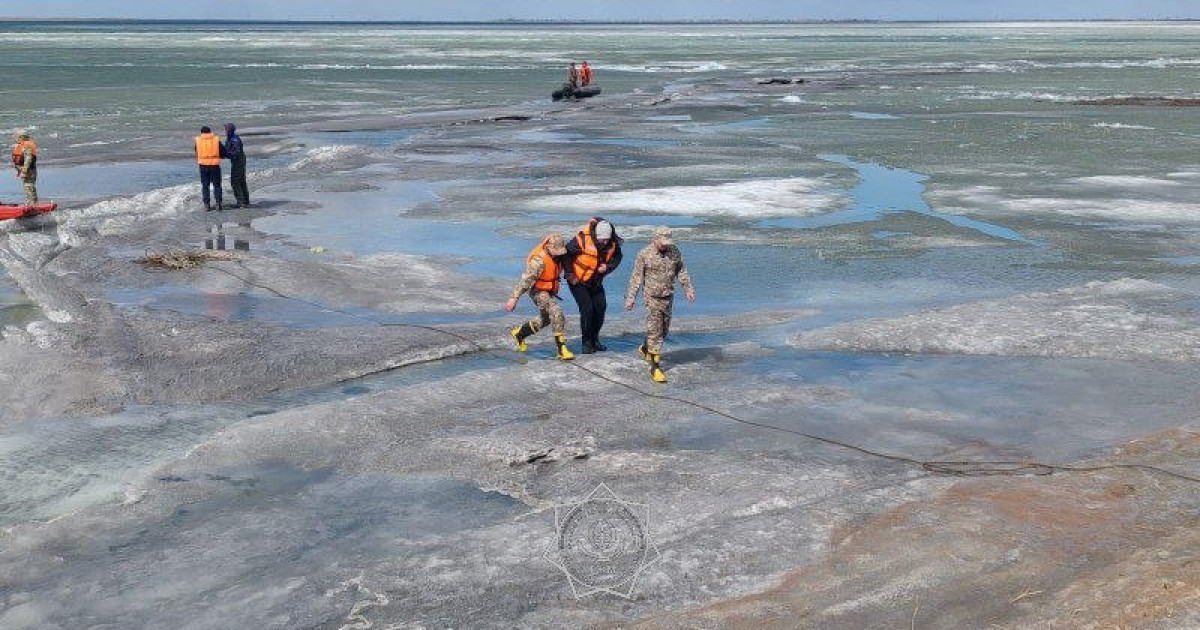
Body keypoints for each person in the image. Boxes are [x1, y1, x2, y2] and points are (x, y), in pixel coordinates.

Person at [624, 227, 696, 383]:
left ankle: (645, 347)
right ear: (655, 239)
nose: (665, 245)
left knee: (664, 330)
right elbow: (636, 278)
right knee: (655, 330)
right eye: (663, 242)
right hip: (651, 297)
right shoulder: (644, 254)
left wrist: (688, 289)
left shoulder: (674, 251)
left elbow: (681, 271)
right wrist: (631, 298)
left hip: (668, 295)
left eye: (667, 243)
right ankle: (655, 367)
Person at [505, 234, 575, 361]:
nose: (559, 254)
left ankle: (520, 334)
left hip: (549, 289)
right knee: (556, 312)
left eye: (560, 252)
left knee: (547, 319)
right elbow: (526, 281)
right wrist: (514, 298)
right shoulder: (538, 261)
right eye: (556, 251)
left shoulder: (559, 256)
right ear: (548, 247)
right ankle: (561, 349)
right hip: (537, 290)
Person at [565, 217, 622, 354]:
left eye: (607, 239)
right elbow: (566, 255)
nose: (605, 242)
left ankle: (595, 339)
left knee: (600, 308)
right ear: (596, 235)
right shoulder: (581, 240)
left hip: (595, 281)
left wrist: (607, 267)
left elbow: (618, 257)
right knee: (587, 309)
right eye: (603, 239)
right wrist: (571, 275)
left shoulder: (611, 242)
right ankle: (586, 342)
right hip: (578, 281)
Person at [194, 126, 224, 211]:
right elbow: (222, 151)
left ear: (201, 133)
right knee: (217, 185)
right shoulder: (216, 139)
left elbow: (196, 152)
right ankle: (218, 204)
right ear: (210, 132)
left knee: (205, 185)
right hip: (214, 165)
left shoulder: (198, 140)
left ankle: (207, 205)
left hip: (203, 166)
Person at [223, 123, 249, 208]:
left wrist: (226, 154)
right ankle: (245, 201)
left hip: (239, 162)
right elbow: (226, 149)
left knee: (235, 182)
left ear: (229, 130)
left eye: (226, 129)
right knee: (241, 181)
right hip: (238, 161)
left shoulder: (235, 139)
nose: (224, 131)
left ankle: (240, 202)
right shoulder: (230, 138)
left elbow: (235, 152)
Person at [10, 129, 38, 206]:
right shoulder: (21, 145)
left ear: (22, 137)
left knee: (29, 185)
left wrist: (24, 171)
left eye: (17, 137)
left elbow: (28, 159)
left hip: (29, 170)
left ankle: (33, 204)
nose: (16, 138)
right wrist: (19, 170)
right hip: (24, 170)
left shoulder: (27, 145)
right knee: (27, 186)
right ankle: (31, 203)